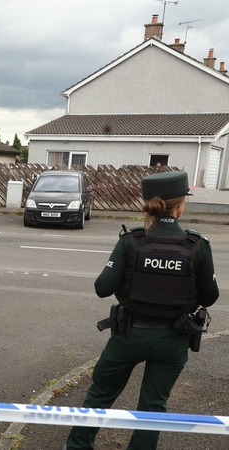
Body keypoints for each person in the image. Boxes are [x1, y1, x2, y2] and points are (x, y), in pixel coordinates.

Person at [64, 171, 219, 450]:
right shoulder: (197, 246)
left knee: (100, 395)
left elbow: (102, 287)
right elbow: (210, 297)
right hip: (173, 341)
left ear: (148, 204)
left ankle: (77, 447)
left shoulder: (131, 241)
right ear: (181, 204)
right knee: (153, 406)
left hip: (127, 336)